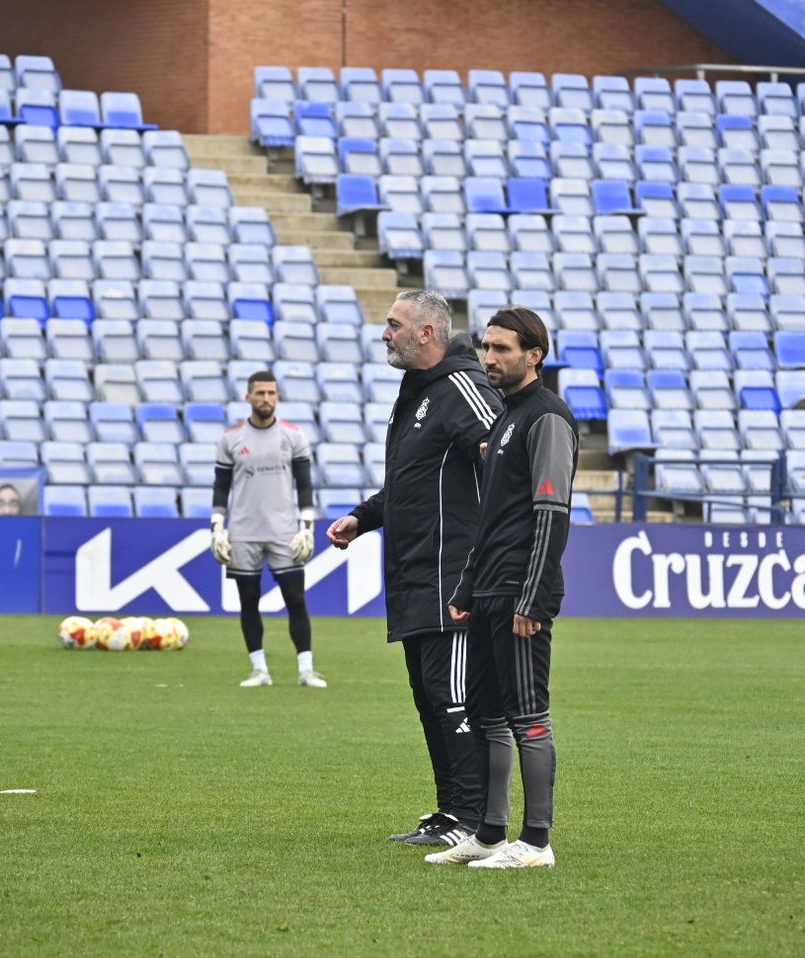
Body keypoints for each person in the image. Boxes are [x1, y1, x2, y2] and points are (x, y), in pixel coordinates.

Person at [327, 290, 503, 848]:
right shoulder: (419, 393)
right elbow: (411, 485)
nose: (385, 333)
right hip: (414, 578)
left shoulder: (464, 387)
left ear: (427, 332)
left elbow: (507, 454)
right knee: (430, 700)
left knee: (454, 701)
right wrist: (363, 517)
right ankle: (451, 812)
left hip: (453, 579)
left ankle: (475, 819)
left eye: (393, 324)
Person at [431, 307, 578, 869]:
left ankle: (536, 842)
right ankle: (490, 834)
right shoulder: (505, 418)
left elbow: (551, 512)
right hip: (490, 589)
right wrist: (467, 587)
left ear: (533, 356)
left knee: (528, 715)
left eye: (501, 349)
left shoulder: (547, 417)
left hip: (521, 590)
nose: (488, 358)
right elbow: (490, 518)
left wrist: (533, 596)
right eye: (486, 347)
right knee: (488, 714)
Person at [211, 370, 324, 688]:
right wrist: (217, 527)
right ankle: (259, 670)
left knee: (296, 599)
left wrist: (307, 527)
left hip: (284, 532)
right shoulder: (231, 438)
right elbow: (221, 488)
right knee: (248, 601)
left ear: (278, 397)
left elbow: (305, 485)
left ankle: (306, 670)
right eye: (259, 393)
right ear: (248, 397)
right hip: (243, 532)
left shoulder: (293, 436)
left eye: (271, 393)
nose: (265, 398)